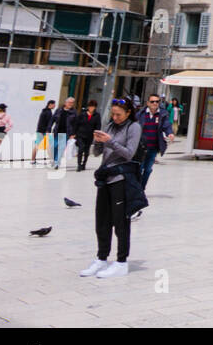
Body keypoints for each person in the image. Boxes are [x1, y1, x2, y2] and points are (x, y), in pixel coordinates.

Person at [81, 98, 143, 279]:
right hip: (105, 178)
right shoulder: (109, 126)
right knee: (102, 221)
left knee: (120, 222)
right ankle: (101, 258)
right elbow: (98, 153)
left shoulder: (133, 127)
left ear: (128, 113)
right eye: (113, 114)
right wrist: (98, 142)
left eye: (119, 115)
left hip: (121, 179)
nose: (115, 117)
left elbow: (128, 153)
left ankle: (121, 262)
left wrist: (110, 142)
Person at [136, 95, 173, 191]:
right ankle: (137, 188)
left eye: (157, 101)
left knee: (148, 169)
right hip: (141, 147)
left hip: (153, 147)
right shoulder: (141, 114)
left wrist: (170, 133)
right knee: (139, 169)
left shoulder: (162, 114)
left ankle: (141, 188)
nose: (155, 103)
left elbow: (167, 125)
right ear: (148, 103)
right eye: (152, 101)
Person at [50, 97, 77, 169]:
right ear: (65, 103)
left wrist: (73, 134)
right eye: (69, 102)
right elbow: (52, 119)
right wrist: (49, 128)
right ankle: (54, 160)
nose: (71, 104)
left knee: (61, 149)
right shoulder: (59, 110)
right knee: (54, 147)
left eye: (72, 103)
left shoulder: (74, 112)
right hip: (57, 131)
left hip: (66, 133)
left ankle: (57, 163)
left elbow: (75, 124)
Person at [73, 100, 100, 172]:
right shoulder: (82, 114)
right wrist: (74, 133)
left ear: (95, 107)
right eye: (90, 106)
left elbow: (98, 125)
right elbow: (76, 124)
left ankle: (84, 164)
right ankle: (79, 165)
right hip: (80, 134)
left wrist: (96, 134)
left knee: (86, 150)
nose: (91, 108)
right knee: (81, 148)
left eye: (93, 107)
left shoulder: (97, 115)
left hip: (89, 135)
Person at [33, 100, 55, 165]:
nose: (54, 106)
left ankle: (32, 160)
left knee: (37, 145)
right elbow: (49, 123)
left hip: (40, 130)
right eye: (54, 104)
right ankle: (52, 161)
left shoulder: (44, 111)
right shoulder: (48, 112)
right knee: (49, 145)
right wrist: (48, 131)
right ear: (50, 104)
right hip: (44, 131)